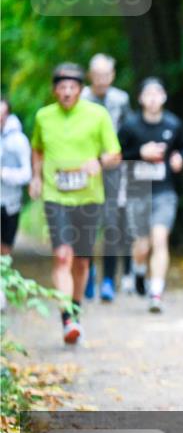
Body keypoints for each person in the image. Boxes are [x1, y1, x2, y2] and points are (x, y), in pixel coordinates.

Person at [29, 63, 121, 344]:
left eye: (72, 87)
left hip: (89, 197)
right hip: (56, 196)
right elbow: (37, 148)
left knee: (81, 262)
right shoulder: (44, 116)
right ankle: (67, 318)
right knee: (62, 256)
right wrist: (36, 177)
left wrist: (99, 161)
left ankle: (76, 311)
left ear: (81, 90)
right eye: (62, 87)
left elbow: (115, 153)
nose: (67, 92)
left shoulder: (98, 115)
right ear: (54, 90)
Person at [118, 77, 183, 313]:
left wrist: (179, 157)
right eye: (148, 94)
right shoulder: (130, 126)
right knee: (141, 245)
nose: (153, 99)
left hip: (163, 191)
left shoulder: (173, 124)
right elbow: (116, 155)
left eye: (157, 93)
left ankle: (156, 292)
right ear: (140, 98)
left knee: (160, 239)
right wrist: (140, 152)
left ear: (164, 97)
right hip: (137, 190)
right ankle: (139, 272)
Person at [81, 53, 132, 302]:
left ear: (112, 76)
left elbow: (130, 131)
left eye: (106, 75)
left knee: (112, 223)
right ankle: (88, 273)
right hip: (85, 167)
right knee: (87, 222)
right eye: (97, 75)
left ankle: (109, 279)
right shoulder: (80, 98)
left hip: (114, 168)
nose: (101, 79)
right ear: (90, 75)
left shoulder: (121, 99)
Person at [1, 98, 32, 257]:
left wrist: (4, 173)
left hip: (10, 203)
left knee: (5, 250)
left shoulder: (19, 140)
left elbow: (27, 174)